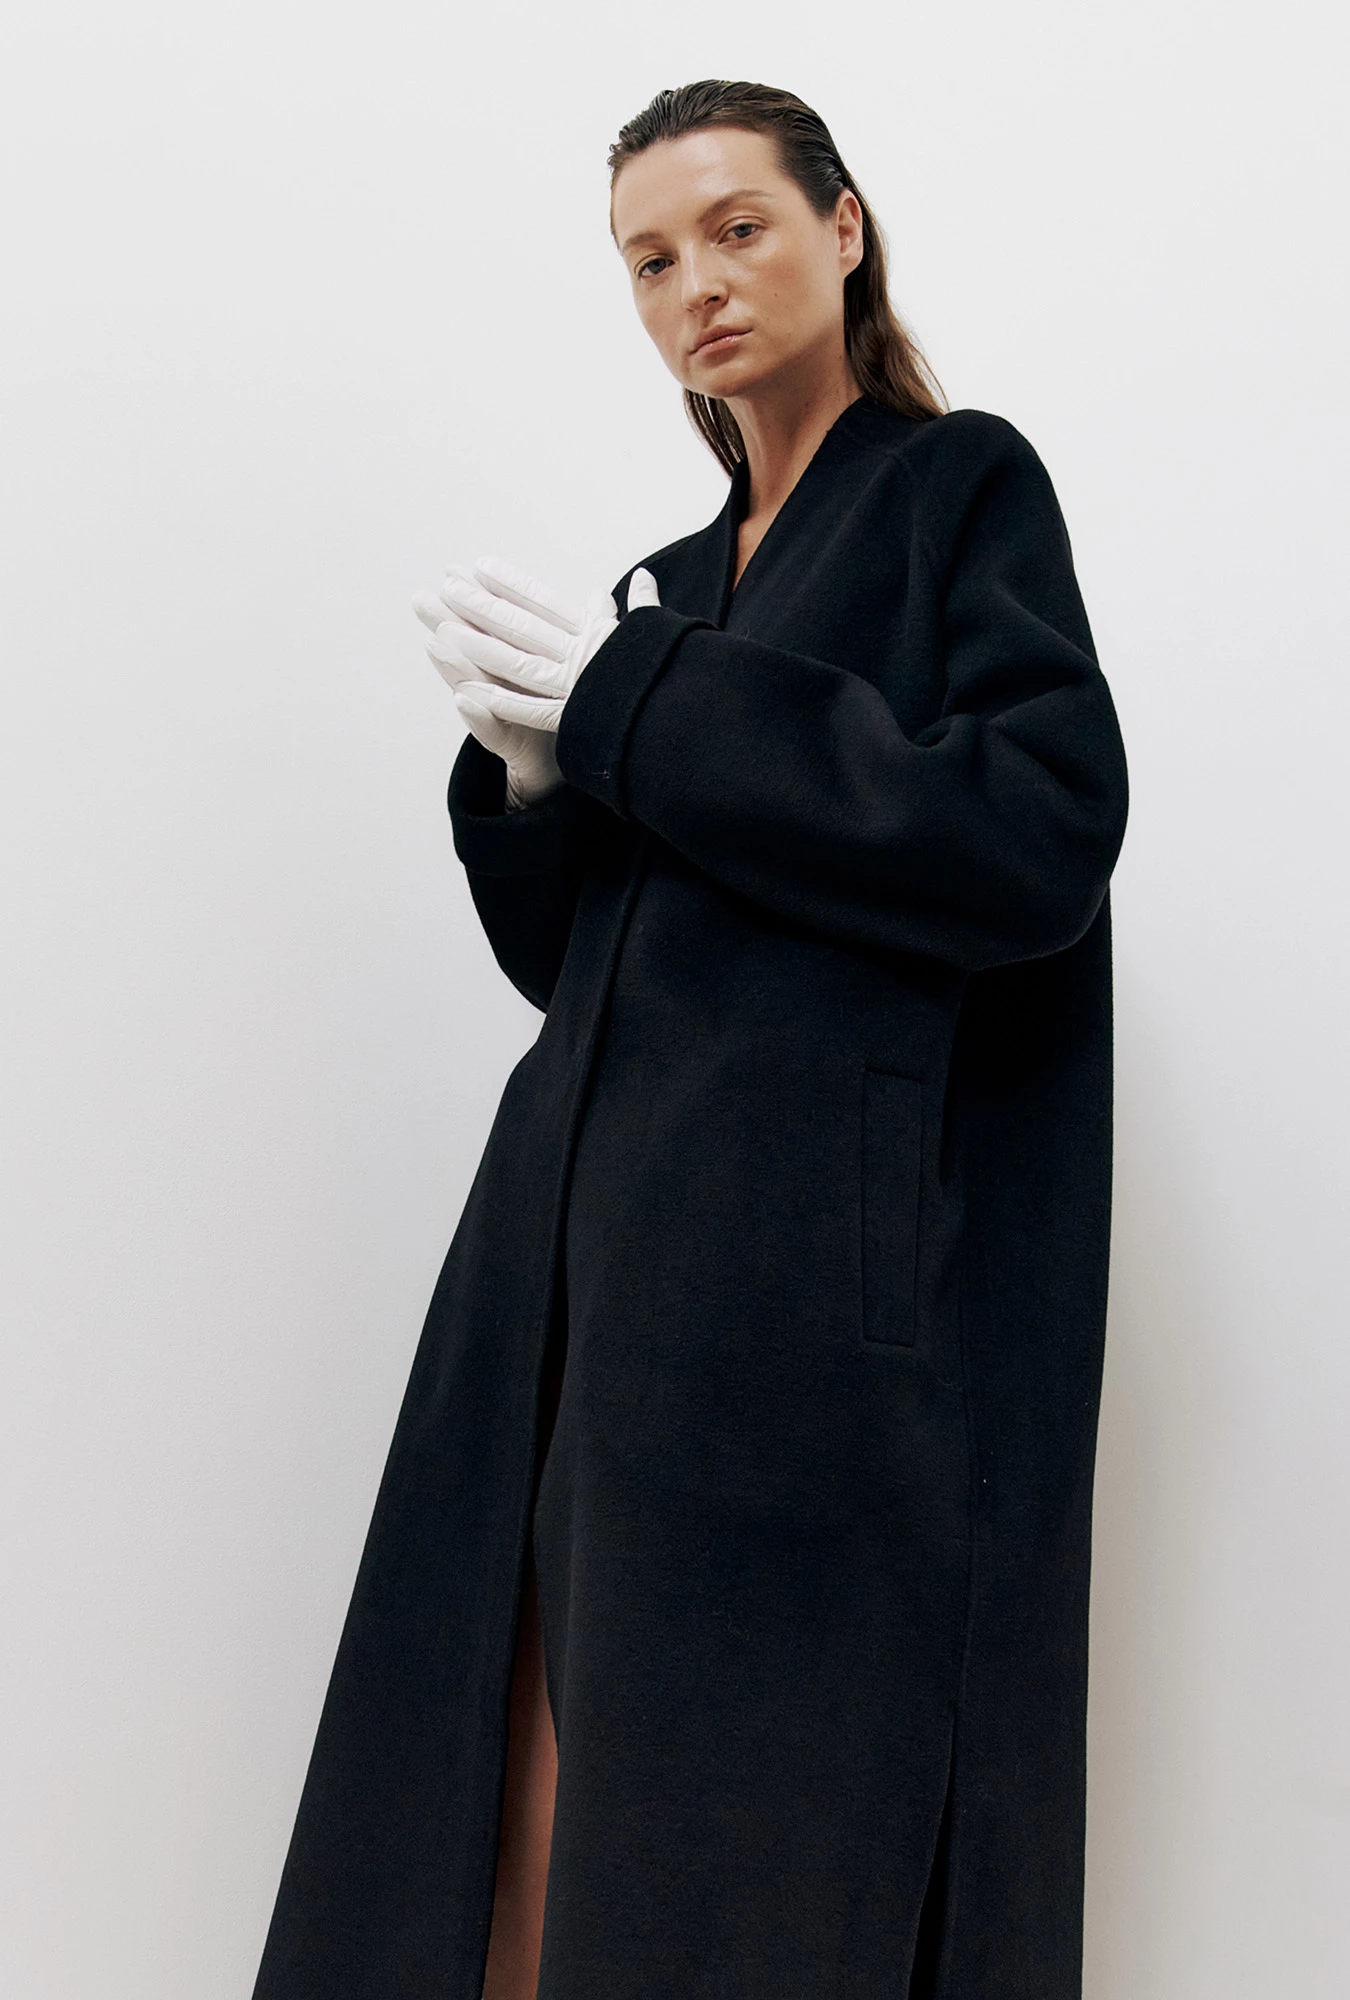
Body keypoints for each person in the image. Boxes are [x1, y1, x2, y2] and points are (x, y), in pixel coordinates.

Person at [251, 79, 1129, 2000]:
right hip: (582, 1279)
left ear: (843, 226)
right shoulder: (664, 581)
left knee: (723, 1847)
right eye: (649, 261)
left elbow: (1035, 838)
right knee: (514, 1806)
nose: (696, 287)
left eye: (737, 228)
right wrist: (533, 778)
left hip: (796, 1315)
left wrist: (637, 699)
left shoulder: (954, 488)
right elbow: (589, 970)